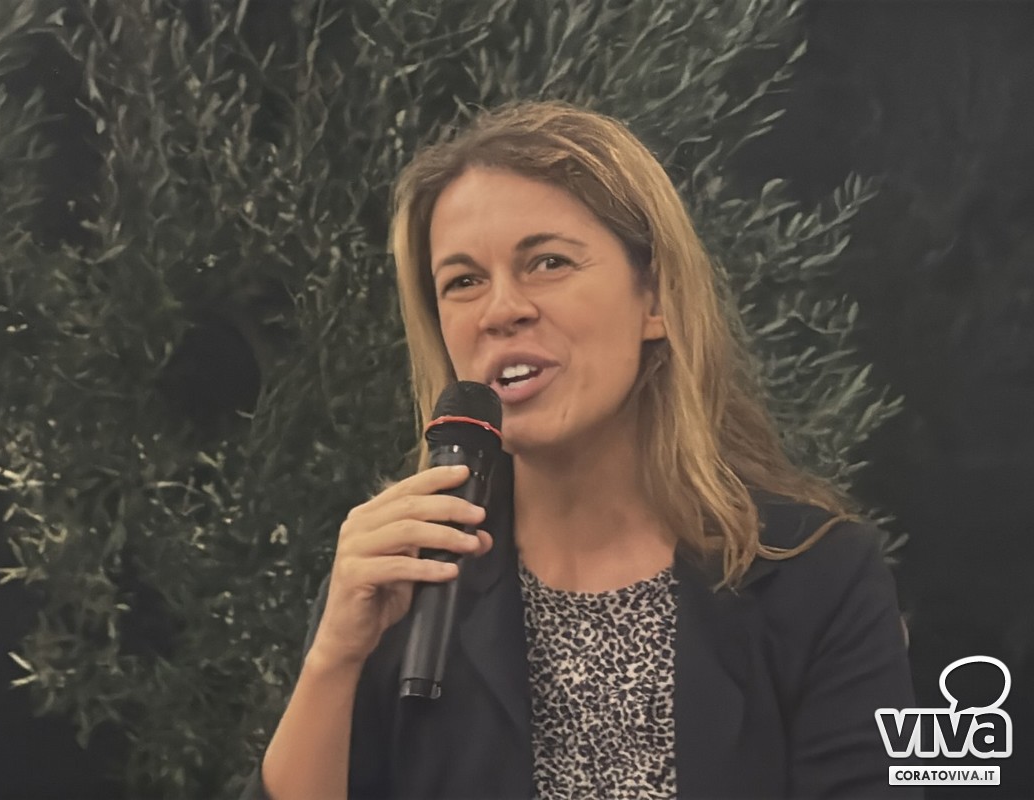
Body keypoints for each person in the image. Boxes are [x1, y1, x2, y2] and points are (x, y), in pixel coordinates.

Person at [245, 100, 918, 799]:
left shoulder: (815, 577)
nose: (501, 310)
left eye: (548, 262)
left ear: (655, 298)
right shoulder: (406, 575)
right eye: (464, 281)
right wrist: (334, 657)